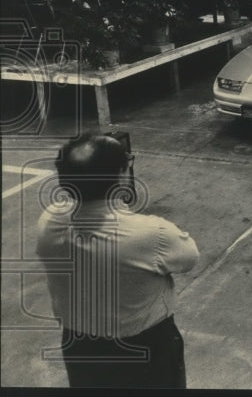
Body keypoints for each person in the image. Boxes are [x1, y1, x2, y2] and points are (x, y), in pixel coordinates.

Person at [37, 134, 199, 388]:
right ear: (121, 176)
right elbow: (189, 258)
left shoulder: (49, 220)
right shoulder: (151, 233)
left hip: (79, 346)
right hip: (144, 349)